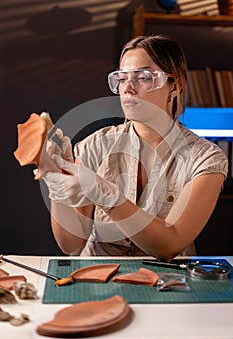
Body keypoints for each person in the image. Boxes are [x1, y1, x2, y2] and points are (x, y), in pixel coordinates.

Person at [39, 34, 228, 260]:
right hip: (97, 279)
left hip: (168, 284)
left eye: (144, 77)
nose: (128, 88)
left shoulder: (206, 159)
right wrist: (57, 184)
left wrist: (110, 198)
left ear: (174, 86)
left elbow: (171, 244)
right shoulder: (95, 146)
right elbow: (70, 243)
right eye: (122, 78)